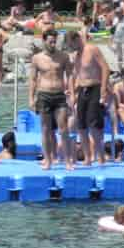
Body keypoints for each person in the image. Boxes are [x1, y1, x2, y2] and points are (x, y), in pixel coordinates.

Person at [30, 29, 75, 170]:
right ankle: (48, 160)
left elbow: (70, 76)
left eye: (55, 41)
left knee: (64, 129)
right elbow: (32, 79)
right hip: (43, 95)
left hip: (59, 95)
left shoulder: (63, 57)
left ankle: (68, 160)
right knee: (45, 129)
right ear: (44, 41)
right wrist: (31, 98)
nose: (53, 44)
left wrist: (72, 95)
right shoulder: (37, 58)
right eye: (50, 41)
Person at [73, 28, 110, 165]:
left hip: (95, 88)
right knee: (81, 126)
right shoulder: (76, 56)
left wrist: (104, 89)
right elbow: (78, 76)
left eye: (73, 44)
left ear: (78, 39)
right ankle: (88, 157)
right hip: (82, 90)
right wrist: (72, 92)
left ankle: (100, 157)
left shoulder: (92, 49)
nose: (72, 48)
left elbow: (105, 68)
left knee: (95, 126)